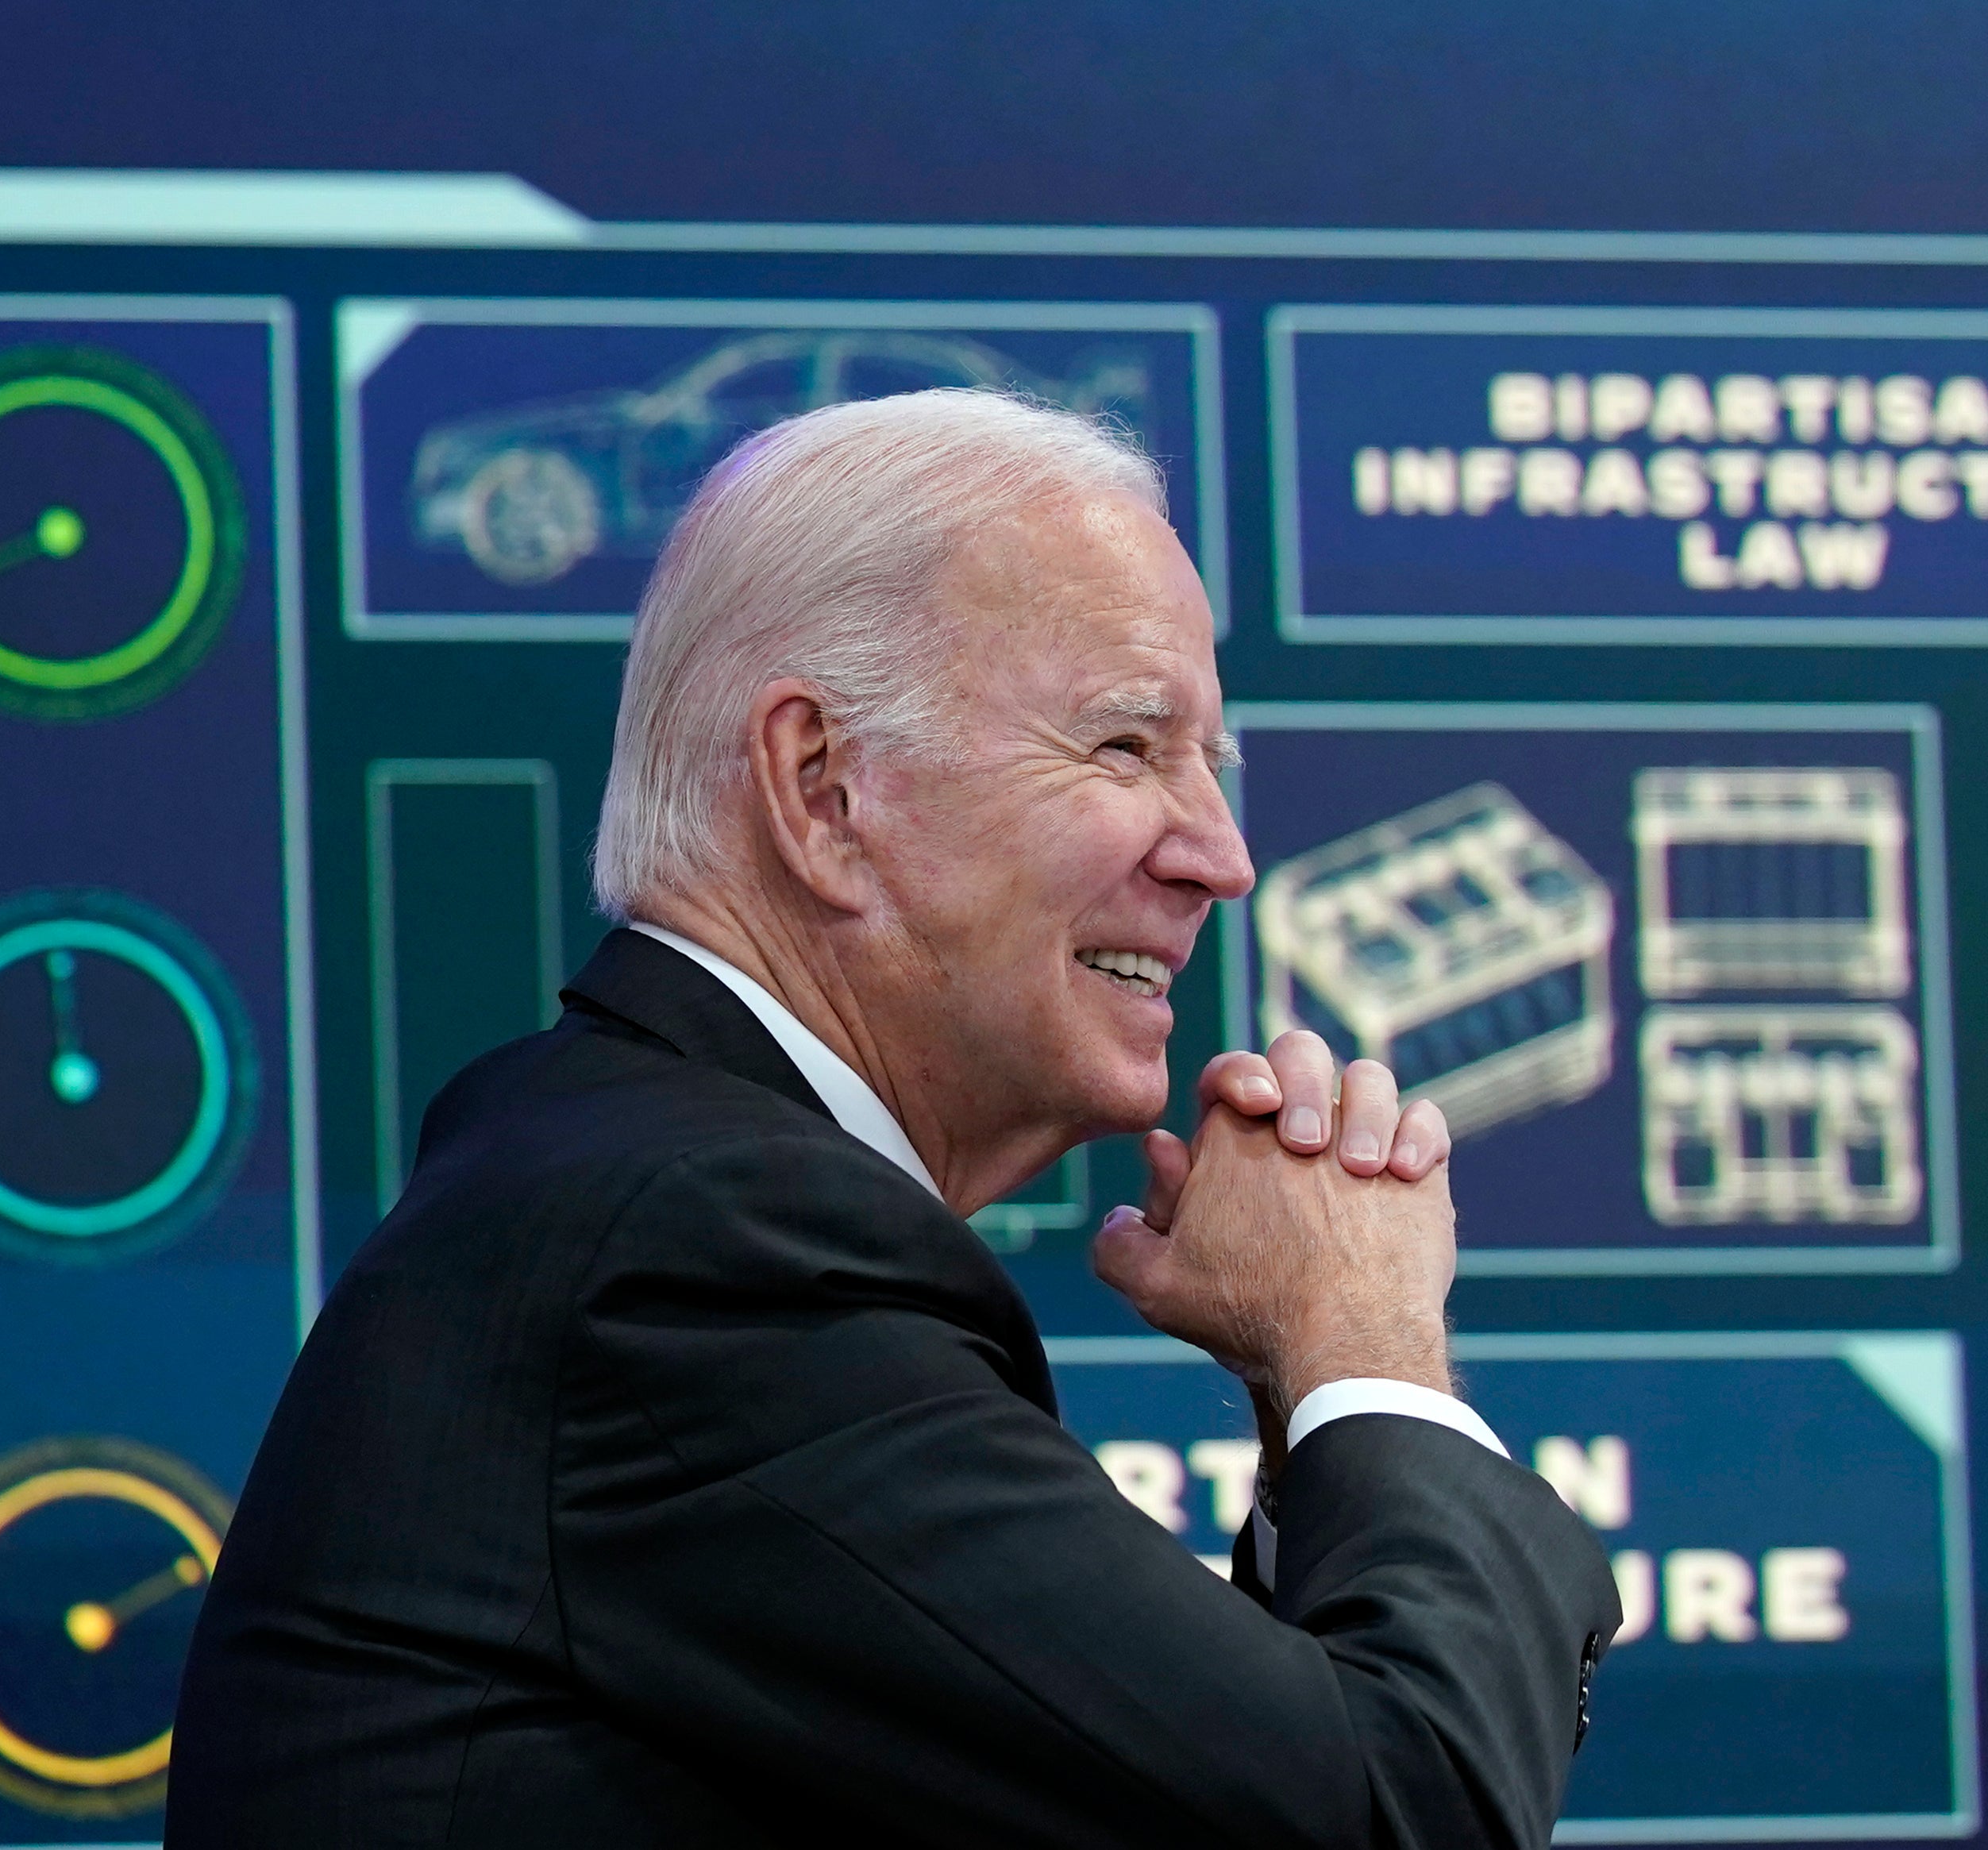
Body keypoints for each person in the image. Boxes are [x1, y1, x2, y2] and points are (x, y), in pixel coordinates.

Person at [170, 390, 1618, 1848]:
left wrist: (1311, 1440)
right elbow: (1395, 1816)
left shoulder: (632, 1180)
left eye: (1211, 769)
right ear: (824, 788)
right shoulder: (704, 1250)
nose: (1222, 857)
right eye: (1127, 746)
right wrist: (1364, 1347)